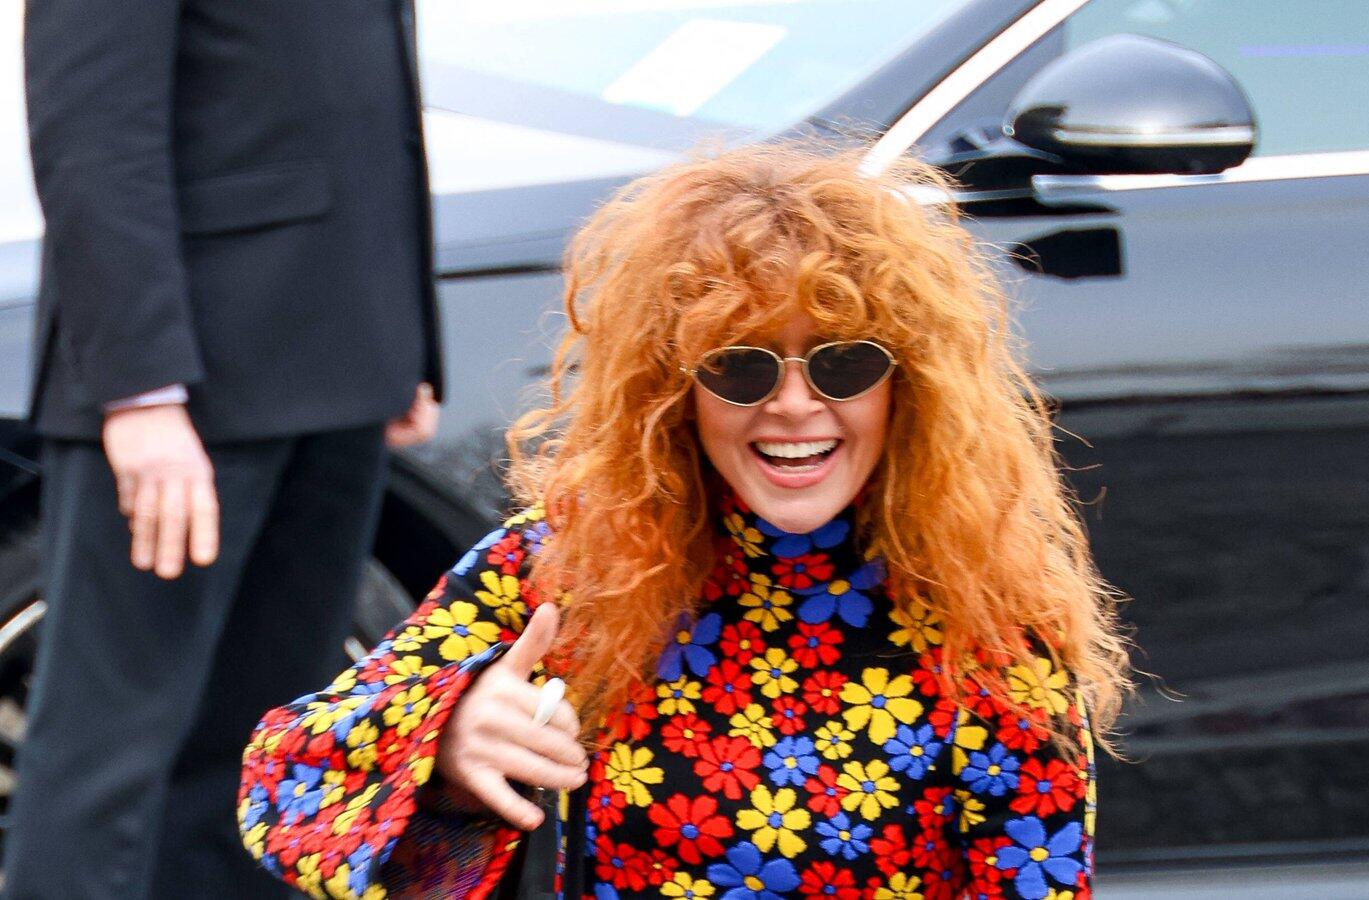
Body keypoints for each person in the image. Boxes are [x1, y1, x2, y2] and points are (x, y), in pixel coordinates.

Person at [238, 143, 1131, 899]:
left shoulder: (985, 616)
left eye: (843, 364)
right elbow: (280, 782)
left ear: (909, 385)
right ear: (673, 389)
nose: (794, 405)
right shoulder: (576, 563)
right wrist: (442, 743)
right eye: (740, 365)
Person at [7, 0, 442, 896]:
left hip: (343, 357)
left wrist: (401, 337)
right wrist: (140, 395)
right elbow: (93, 134)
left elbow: (371, 98)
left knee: (270, 745)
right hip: (186, 382)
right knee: (106, 759)